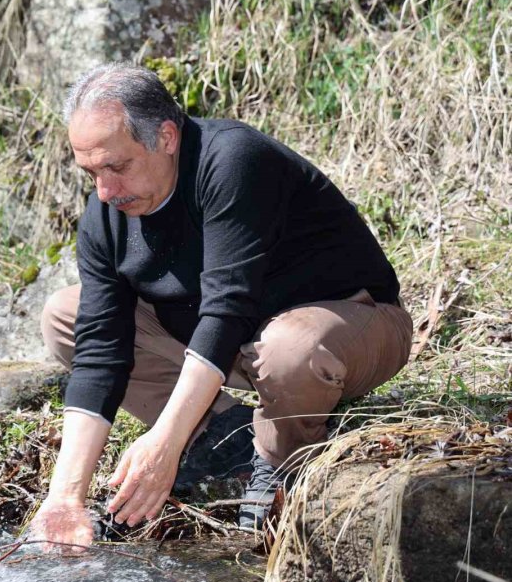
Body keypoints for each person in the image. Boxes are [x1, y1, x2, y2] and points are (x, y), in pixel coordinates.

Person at [30, 63, 412, 548]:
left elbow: (227, 307)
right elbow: (100, 350)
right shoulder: (105, 217)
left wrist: (163, 446)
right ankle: (222, 436)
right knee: (65, 315)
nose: (105, 191)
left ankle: (279, 465)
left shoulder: (232, 160)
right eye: (91, 172)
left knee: (289, 349)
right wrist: (64, 498)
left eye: (116, 166)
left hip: (351, 324)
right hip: (235, 344)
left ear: (166, 137)